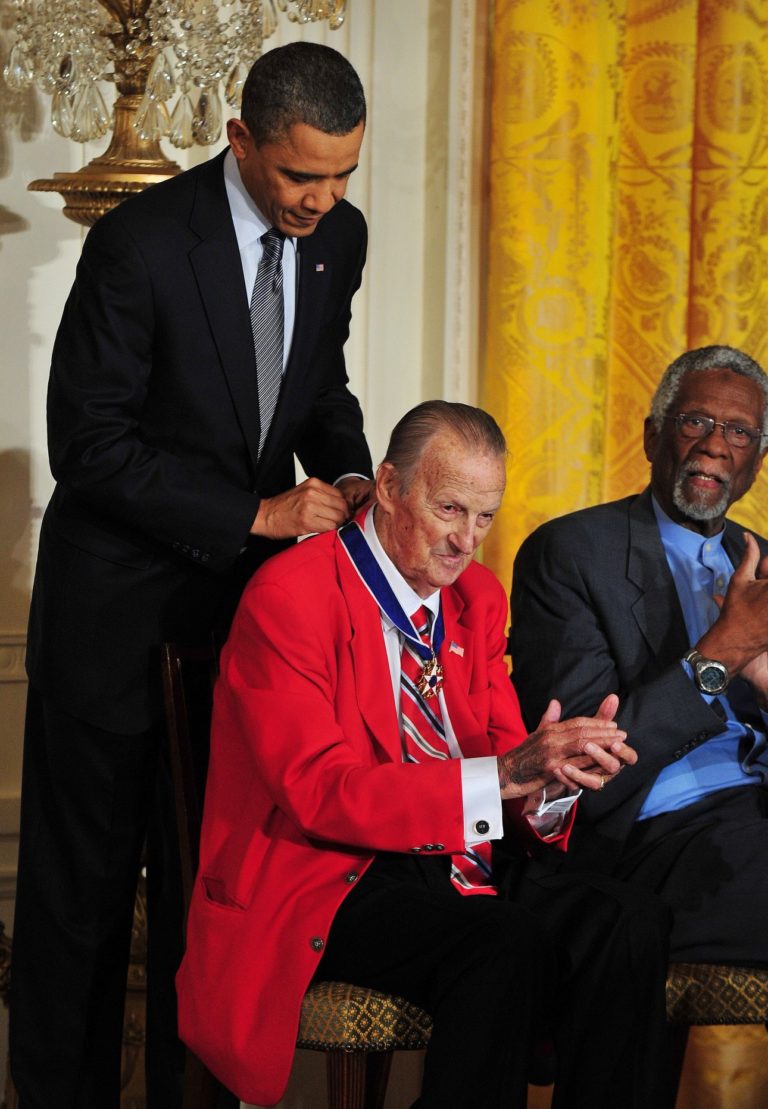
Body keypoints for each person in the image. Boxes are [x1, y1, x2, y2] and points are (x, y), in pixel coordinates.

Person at [11, 42, 373, 1109]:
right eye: (302, 174)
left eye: (344, 173)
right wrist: (254, 513)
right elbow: (90, 443)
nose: (323, 198)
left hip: (238, 637)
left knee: (206, 897)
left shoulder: (339, 238)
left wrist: (350, 470)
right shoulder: (139, 244)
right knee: (78, 906)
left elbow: (317, 385)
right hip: (111, 624)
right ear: (242, 141)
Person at [177, 400, 671, 1109]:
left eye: (484, 517)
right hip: (330, 871)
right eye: (449, 508)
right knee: (504, 940)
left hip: (457, 860)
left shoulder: (476, 598)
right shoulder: (290, 594)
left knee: (629, 920)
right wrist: (503, 774)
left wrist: (552, 778)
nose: (466, 540)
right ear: (387, 487)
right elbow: (321, 791)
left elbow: (503, 761)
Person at [511, 345, 768, 967]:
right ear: (654, 437)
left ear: (757, 462)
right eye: (695, 421)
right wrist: (719, 656)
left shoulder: (765, 564)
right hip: (656, 839)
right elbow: (576, 774)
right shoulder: (571, 553)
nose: (714, 445)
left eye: (738, 431)